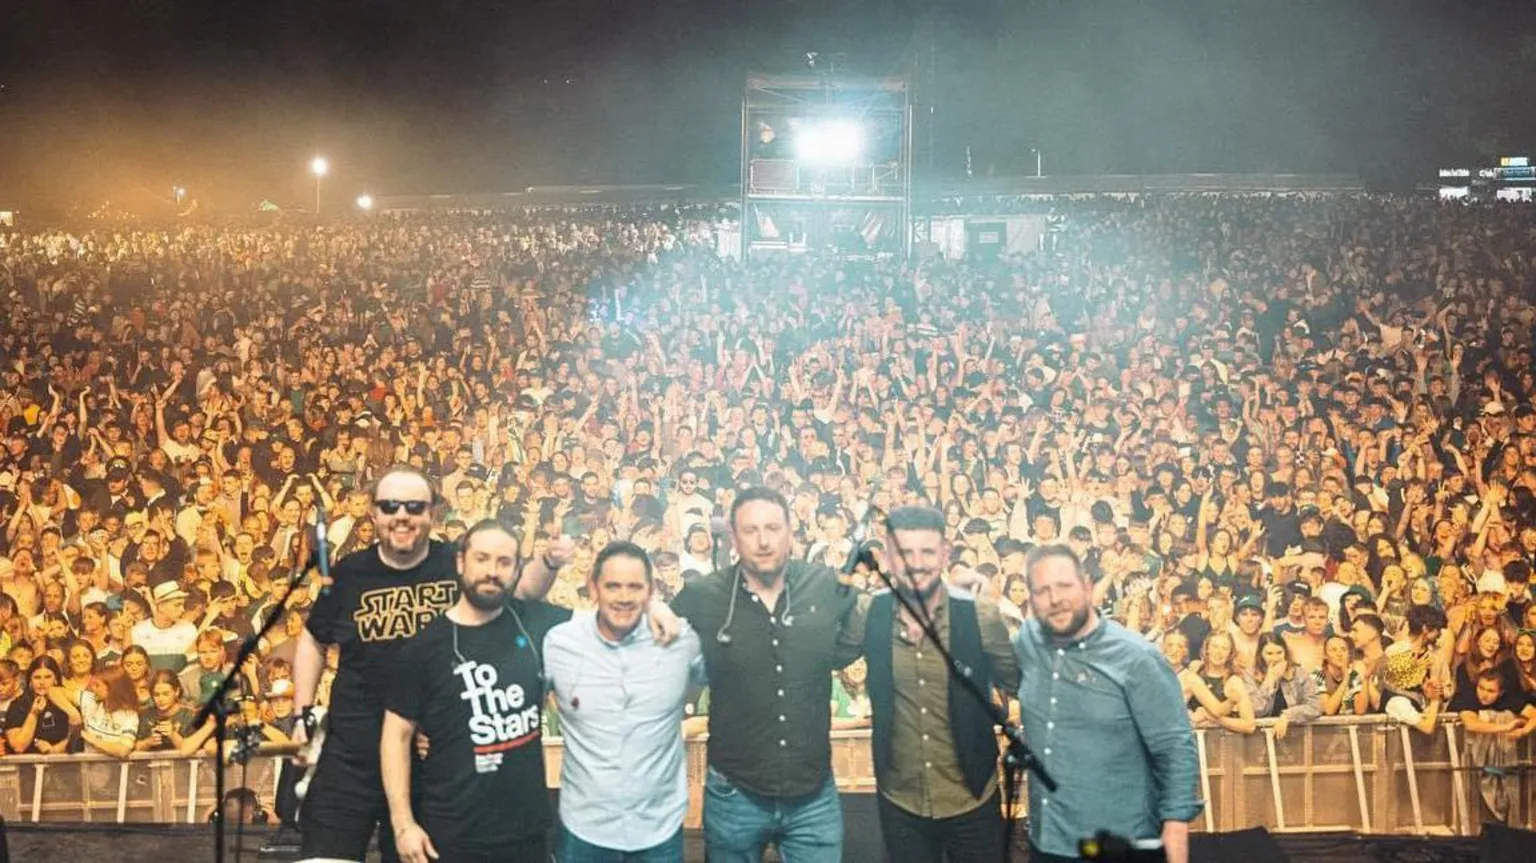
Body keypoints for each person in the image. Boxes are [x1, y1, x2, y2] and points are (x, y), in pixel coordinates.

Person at [292, 467, 565, 863]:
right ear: (373, 513)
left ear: (432, 512)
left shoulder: (452, 563)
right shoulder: (349, 572)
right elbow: (313, 638)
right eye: (390, 506)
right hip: (351, 755)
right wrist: (301, 712)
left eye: (414, 506)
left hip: (425, 761)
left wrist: (551, 562)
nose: (401, 515)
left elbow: (519, 592)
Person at [669, 486, 866, 863]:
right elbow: (655, 645)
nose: (763, 540)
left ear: (791, 532)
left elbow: (853, 643)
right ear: (732, 538)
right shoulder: (704, 595)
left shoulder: (824, 587)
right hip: (734, 792)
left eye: (773, 528)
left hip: (813, 793)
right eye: (751, 530)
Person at [381, 520, 572, 863]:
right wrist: (403, 824)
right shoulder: (425, 646)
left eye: (503, 562)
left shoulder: (533, 623)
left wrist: (654, 608)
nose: (491, 572)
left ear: (516, 571)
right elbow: (395, 736)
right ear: (460, 563)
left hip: (527, 832)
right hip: (451, 835)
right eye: (482, 559)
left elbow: (612, 616)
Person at [1014, 544, 1201, 863]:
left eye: (1064, 586)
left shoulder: (1137, 657)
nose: (1055, 598)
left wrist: (1176, 826)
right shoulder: (1029, 642)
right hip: (1049, 842)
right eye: (1042, 591)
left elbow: (1175, 746)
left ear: (1088, 587)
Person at [864, 505, 1020, 863]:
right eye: (905, 553)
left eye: (927, 552)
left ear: (946, 554)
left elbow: (1014, 679)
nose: (916, 563)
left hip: (971, 795)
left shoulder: (981, 613)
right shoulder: (868, 612)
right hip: (901, 798)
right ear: (888, 557)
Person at [543, 540, 702, 862]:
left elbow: (734, 683)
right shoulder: (559, 644)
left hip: (659, 830)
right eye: (613, 586)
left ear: (651, 590)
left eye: (634, 587)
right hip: (584, 831)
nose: (624, 597)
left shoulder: (680, 639)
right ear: (593, 587)